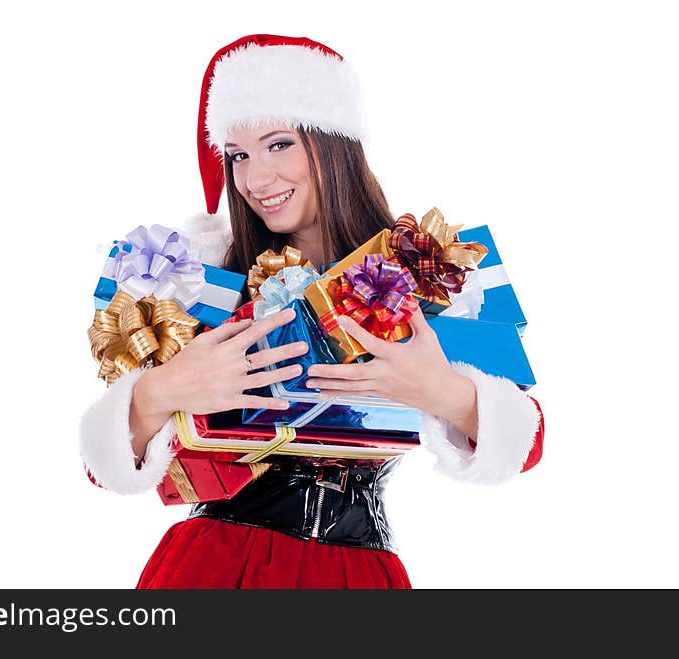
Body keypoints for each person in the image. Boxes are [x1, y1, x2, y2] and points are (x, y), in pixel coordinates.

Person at [79, 34, 545, 589]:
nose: (254, 179)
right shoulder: (199, 276)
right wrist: (164, 390)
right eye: (238, 156)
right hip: (218, 567)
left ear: (333, 143)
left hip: (359, 573)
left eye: (278, 144)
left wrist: (439, 390)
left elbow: (528, 444)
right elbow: (101, 469)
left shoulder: (424, 270)